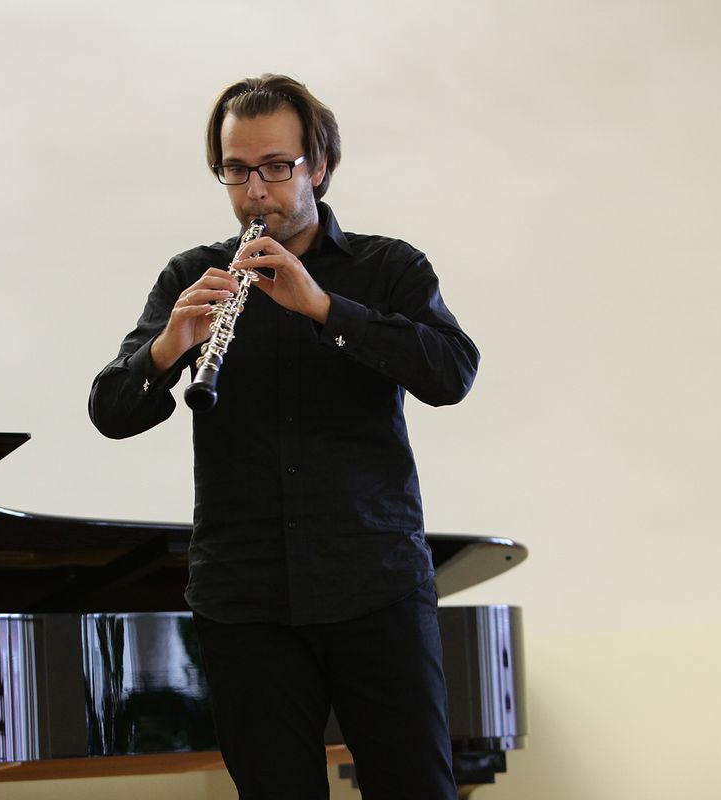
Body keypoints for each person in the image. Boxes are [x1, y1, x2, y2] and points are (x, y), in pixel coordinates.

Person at [88, 73, 479, 800]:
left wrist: (328, 309)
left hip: (375, 587)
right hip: (245, 601)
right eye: (236, 171)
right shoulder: (192, 275)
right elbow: (111, 412)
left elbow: (453, 372)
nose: (255, 191)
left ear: (318, 166)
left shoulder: (387, 267)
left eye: (275, 167)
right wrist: (168, 347)